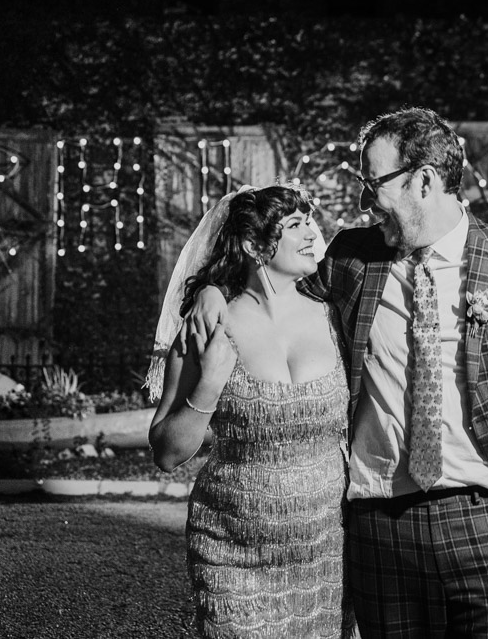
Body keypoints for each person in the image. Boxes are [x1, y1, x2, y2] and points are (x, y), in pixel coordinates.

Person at [185, 107, 488, 638]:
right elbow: (268, 282)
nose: (366, 201)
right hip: (381, 532)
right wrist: (211, 289)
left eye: (374, 183)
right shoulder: (352, 257)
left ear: (424, 180)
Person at [146, 184, 356, 638]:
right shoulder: (208, 326)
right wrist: (210, 383)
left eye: (310, 221)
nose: (312, 234)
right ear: (255, 245)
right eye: (295, 225)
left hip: (329, 550)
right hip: (230, 550)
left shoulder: (335, 314)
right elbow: (166, 451)